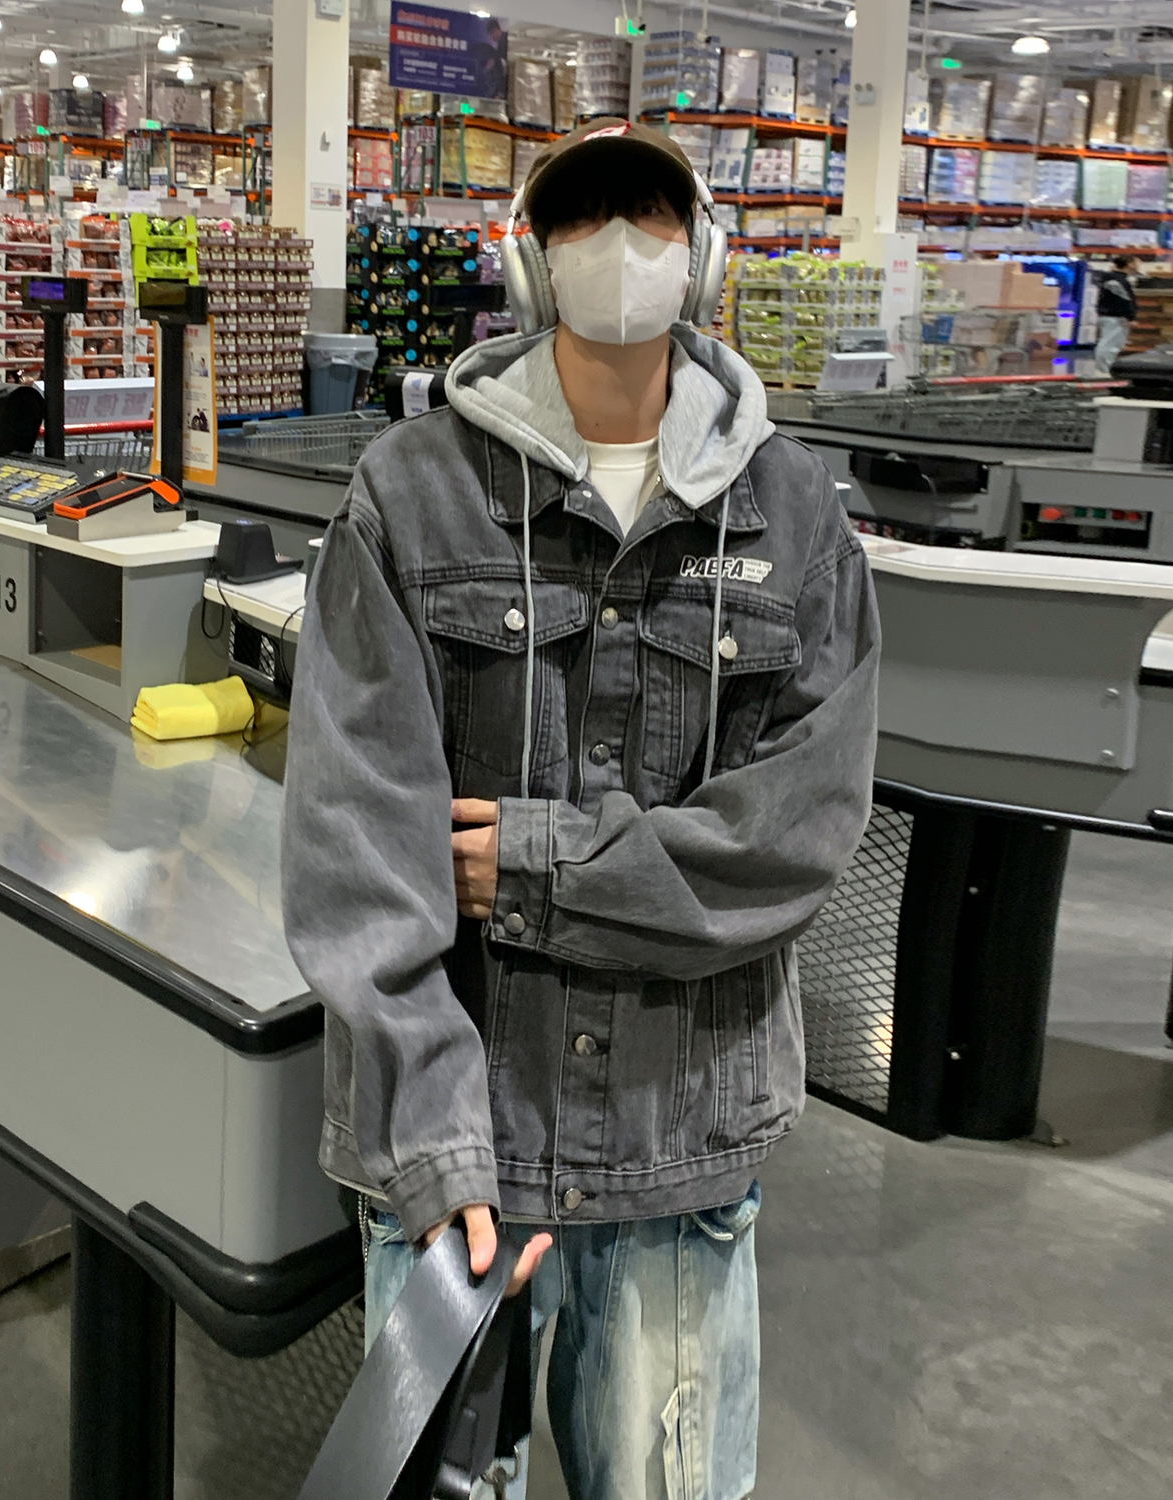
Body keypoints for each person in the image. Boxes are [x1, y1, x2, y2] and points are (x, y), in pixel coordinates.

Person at [282, 119, 879, 1500]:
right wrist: (437, 1144)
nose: (619, 246)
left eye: (650, 215)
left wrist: (538, 867)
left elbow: (794, 837)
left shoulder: (794, 515)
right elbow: (358, 850)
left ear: (705, 254)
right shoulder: (411, 494)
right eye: (583, 216)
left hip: (681, 1141)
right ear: (530, 259)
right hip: (459, 1146)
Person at [1095, 254, 1139, 372]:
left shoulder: (1110, 278)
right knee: (1110, 344)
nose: (1138, 266)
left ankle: (1105, 368)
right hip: (1115, 316)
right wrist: (1130, 316)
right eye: (1137, 263)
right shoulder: (1117, 280)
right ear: (1130, 264)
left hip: (1108, 315)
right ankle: (1105, 369)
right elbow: (1124, 299)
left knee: (1110, 343)